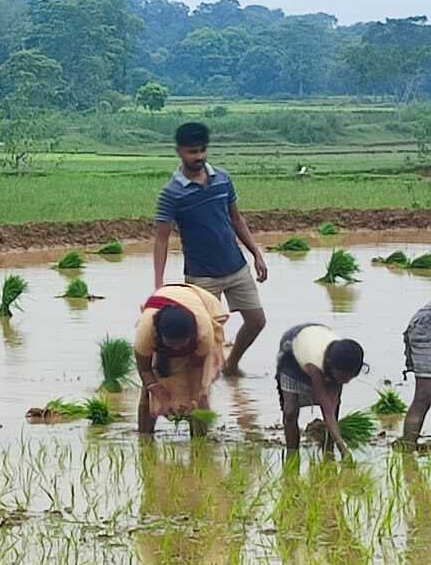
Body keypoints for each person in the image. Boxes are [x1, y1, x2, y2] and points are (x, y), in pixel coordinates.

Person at [154, 122, 267, 376]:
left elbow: (237, 219)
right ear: (179, 151)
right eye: (192, 152)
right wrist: (159, 283)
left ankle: (231, 364)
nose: (199, 157)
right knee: (206, 335)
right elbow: (161, 239)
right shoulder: (171, 194)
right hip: (202, 277)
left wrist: (256, 253)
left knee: (257, 321)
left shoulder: (223, 179)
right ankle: (202, 380)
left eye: (203, 150)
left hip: (236, 266)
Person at [133, 284, 228, 436]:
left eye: (181, 344)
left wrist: (194, 398)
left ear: (191, 336)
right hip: (162, 305)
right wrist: (162, 397)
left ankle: (200, 441)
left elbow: (197, 369)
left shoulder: (203, 333)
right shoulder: (146, 332)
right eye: (172, 344)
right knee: (148, 391)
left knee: (200, 394)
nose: (177, 349)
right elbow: (144, 370)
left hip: (198, 303)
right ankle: (145, 438)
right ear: (161, 336)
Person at [276, 324, 365, 458]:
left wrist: (340, 448)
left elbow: (331, 408)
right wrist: (344, 450)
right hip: (292, 350)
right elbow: (326, 409)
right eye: (342, 377)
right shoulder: (315, 363)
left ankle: (328, 451)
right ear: (332, 366)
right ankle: (292, 454)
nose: (346, 381)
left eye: (350, 377)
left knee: (334, 408)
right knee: (290, 411)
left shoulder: (346, 357)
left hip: (320, 337)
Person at [400, 301, 431, 448]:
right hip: (427, 328)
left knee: (423, 396)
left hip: (423, 324)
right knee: (424, 396)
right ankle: (408, 449)